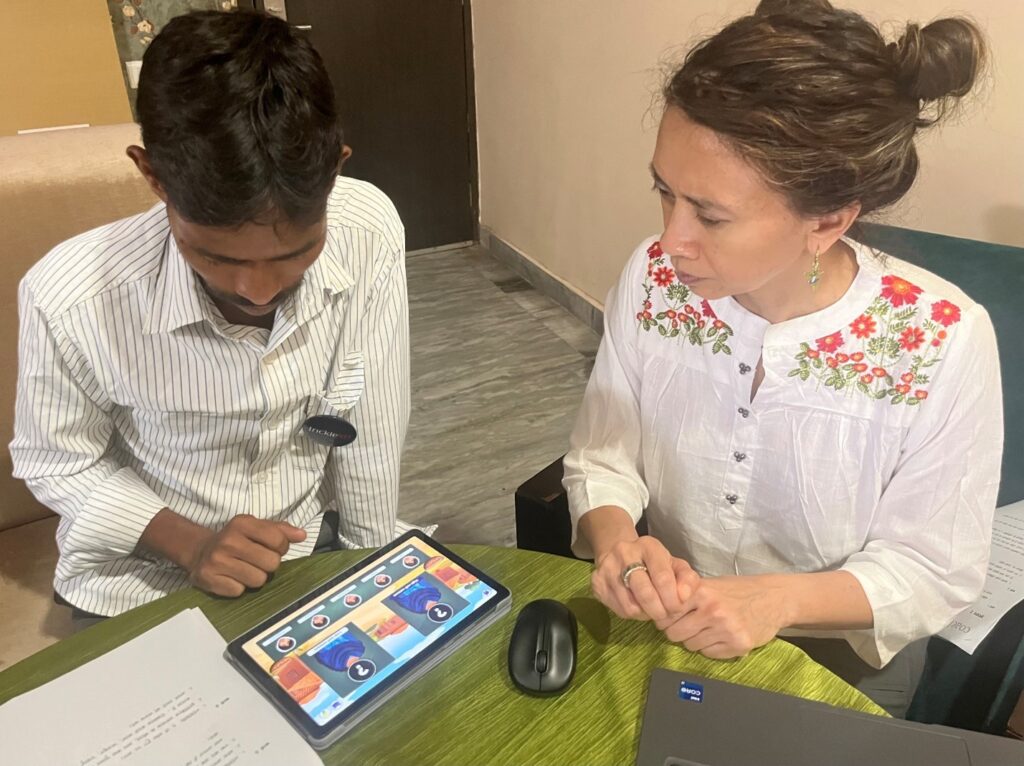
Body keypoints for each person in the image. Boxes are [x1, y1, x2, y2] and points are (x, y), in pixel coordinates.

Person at [563, 0, 1001, 717]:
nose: (671, 240)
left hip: (836, 656)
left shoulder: (942, 339)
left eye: (710, 214)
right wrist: (618, 544)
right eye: (664, 192)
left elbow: (932, 567)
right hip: (664, 621)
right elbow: (603, 454)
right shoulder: (652, 280)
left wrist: (774, 601)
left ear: (828, 220)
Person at [11, 11, 418, 625]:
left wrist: (367, 576)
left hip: (310, 547)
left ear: (335, 170)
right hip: (145, 576)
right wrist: (192, 544)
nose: (257, 290)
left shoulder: (369, 231)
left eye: (295, 253)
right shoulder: (70, 298)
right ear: (152, 176)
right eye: (214, 256)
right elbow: (56, 461)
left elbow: (372, 424)